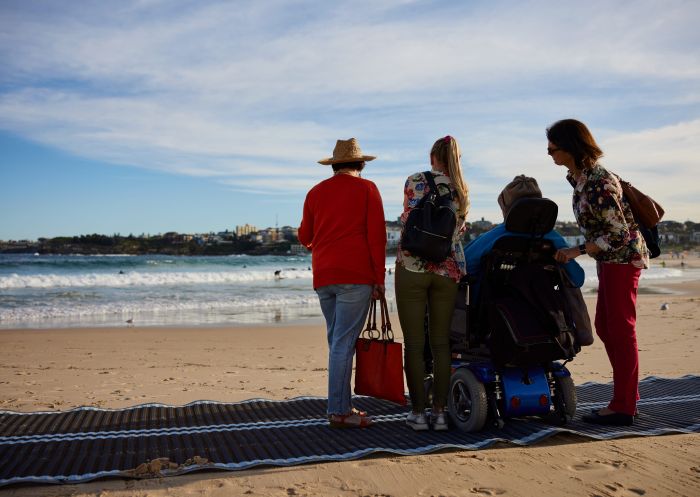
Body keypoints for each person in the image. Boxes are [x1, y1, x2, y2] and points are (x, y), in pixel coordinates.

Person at [547, 119, 649, 426]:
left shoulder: (598, 181)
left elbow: (618, 232)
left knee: (620, 329)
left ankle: (623, 406)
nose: (549, 153)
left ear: (570, 148)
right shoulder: (578, 178)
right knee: (606, 326)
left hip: (623, 260)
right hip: (610, 261)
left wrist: (576, 251)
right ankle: (627, 396)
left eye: (553, 147)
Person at [298, 138, 387, 429]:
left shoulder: (315, 192)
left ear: (334, 165)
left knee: (337, 341)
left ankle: (342, 404)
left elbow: (304, 235)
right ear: (361, 164)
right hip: (356, 275)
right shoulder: (367, 189)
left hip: (324, 275)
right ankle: (338, 410)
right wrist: (379, 278)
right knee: (342, 342)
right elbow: (376, 237)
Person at [396, 135, 469, 431]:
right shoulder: (462, 190)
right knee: (441, 344)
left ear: (432, 158)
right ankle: (439, 413)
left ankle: (417, 413)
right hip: (447, 269)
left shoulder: (416, 179)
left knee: (414, 344)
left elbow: (407, 218)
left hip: (412, 265)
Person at [464, 175, 585, 304]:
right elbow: (578, 279)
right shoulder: (552, 238)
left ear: (506, 208)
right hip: (544, 311)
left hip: (493, 313)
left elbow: (464, 267)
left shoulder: (493, 237)